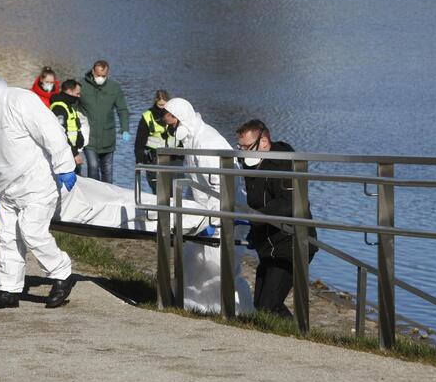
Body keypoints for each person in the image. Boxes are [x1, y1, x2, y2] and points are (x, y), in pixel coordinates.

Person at [0, 74, 77, 310]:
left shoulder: (20, 100)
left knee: (32, 232)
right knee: (8, 238)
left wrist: (65, 166)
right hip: (8, 189)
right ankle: (8, 290)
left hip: (37, 184)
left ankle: (63, 274)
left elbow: (50, 131)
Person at [163, 98, 253, 314]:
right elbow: (193, 181)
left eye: (171, 121)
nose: (169, 126)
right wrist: (185, 209)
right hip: (204, 213)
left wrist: (212, 219)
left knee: (222, 268)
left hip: (225, 213)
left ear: (181, 118)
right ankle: (197, 306)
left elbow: (222, 184)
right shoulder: (192, 141)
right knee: (194, 262)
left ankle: (239, 312)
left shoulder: (206, 141)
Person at [235, 119, 318, 318]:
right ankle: (288, 336)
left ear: (263, 142)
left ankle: (296, 339)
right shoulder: (251, 164)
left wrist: (257, 217)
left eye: (247, 147)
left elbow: (289, 201)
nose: (243, 152)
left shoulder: (283, 164)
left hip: (292, 244)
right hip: (268, 244)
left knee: (268, 305)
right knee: (261, 304)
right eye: (240, 147)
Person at [79, 59, 130, 183]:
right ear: (92, 72)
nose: (100, 78)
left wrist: (124, 128)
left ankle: (109, 196)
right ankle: (93, 195)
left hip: (108, 137)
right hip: (89, 137)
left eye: (104, 76)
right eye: (98, 75)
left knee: (107, 170)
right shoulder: (81, 86)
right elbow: (73, 106)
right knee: (93, 166)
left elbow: (122, 109)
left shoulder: (114, 87)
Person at [134, 89, 180, 194]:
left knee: (173, 191)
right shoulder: (148, 116)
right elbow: (140, 141)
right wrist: (140, 158)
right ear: (155, 102)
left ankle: (172, 209)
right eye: (160, 105)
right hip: (154, 158)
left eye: (165, 106)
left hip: (174, 159)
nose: (162, 109)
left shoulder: (175, 115)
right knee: (158, 191)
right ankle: (160, 209)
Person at [50, 79, 85, 174]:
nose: (79, 96)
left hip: (71, 151)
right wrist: (75, 153)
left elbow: (73, 127)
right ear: (69, 91)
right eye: (77, 94)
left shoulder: (68, 105)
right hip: (66, 154)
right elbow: (61, 133)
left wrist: (80, 138)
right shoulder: (59, 108)